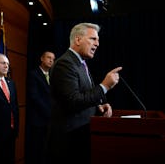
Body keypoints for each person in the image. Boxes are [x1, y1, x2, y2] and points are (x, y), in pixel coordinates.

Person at [47, 22, 122, 164]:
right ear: (78, 39)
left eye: (98, 40)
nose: (97, 44)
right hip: (68, 142)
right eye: (93, 39)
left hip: (81, 136)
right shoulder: (65, 64)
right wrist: (105, 86)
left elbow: (86, 94)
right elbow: (73, 101)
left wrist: (100, 105)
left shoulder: (80, 63)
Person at [25, 51, 55, 164]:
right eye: (49, 57)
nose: (51, 60)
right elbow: (35, 97)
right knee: (37, 151)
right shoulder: (34, 74)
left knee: (48, 151)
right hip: (38, 120)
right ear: (42, 58)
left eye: (53, 58)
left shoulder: (53, 76)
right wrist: (50, 113)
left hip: (51, 122)